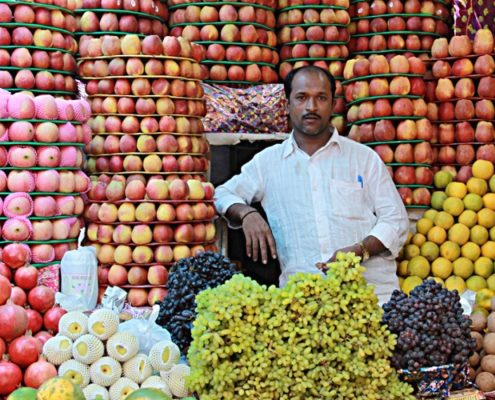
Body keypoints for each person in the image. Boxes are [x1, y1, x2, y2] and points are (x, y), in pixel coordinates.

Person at [214, 65, 409, 303]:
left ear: (333, 104)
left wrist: (360, 250)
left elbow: (396, 220)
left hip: (372, 297)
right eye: (301, 97)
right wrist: (246, 213)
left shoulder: (363, 158)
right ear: (287, 105)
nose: (311, 107)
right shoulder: (268, 162)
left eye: (321, 98)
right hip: (304, 307)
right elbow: (222, 194)